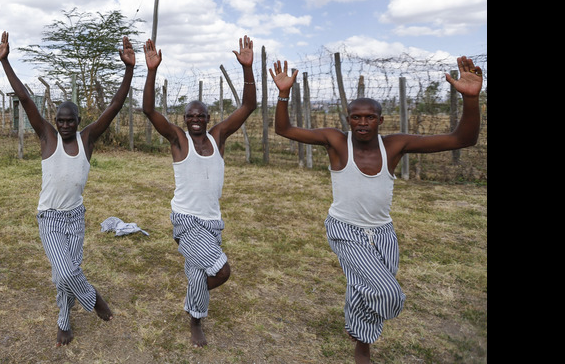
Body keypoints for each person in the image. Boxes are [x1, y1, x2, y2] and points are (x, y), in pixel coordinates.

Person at [268, 56, 483, 364]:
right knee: (386, 294)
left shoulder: (395, 145)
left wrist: (471, 100)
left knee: (363, 285)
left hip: (383, 232)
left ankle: (361, 342)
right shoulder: (335, 142)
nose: (363, 123)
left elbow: (463, 139)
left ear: (381, 121)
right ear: (348, 120)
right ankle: (367, 325)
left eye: (370, 117)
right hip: (345, 229)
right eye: (356, 118)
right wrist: (284, 93)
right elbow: (284, 129)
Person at [0, 31, 134, 346]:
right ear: (54, 121)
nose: (65, 124)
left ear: (78, 120)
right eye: (60, 120)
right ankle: (94, 300)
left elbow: (114, 105)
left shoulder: (87, 139)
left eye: (70, 120)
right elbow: (28, 99)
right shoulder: (47, 137)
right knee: (65, 271)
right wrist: (6, 62)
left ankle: (64, 321)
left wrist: (128, 69)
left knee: (65, 273)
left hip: (75, 217)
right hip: (50, 218)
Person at [141, 36, 257, 347]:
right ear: (184, 120)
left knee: (196, 275)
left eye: (200, 116)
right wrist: (151, 71)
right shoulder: (179, 139)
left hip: (212, 222)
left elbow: (248, 106)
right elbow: (149, 110)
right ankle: (196, 304)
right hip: (187, 221)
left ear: (208, 119)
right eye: (190, 116)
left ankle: (195, 320)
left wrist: (248, 68)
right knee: (221, 272)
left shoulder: (218, 137)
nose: (195, 120)